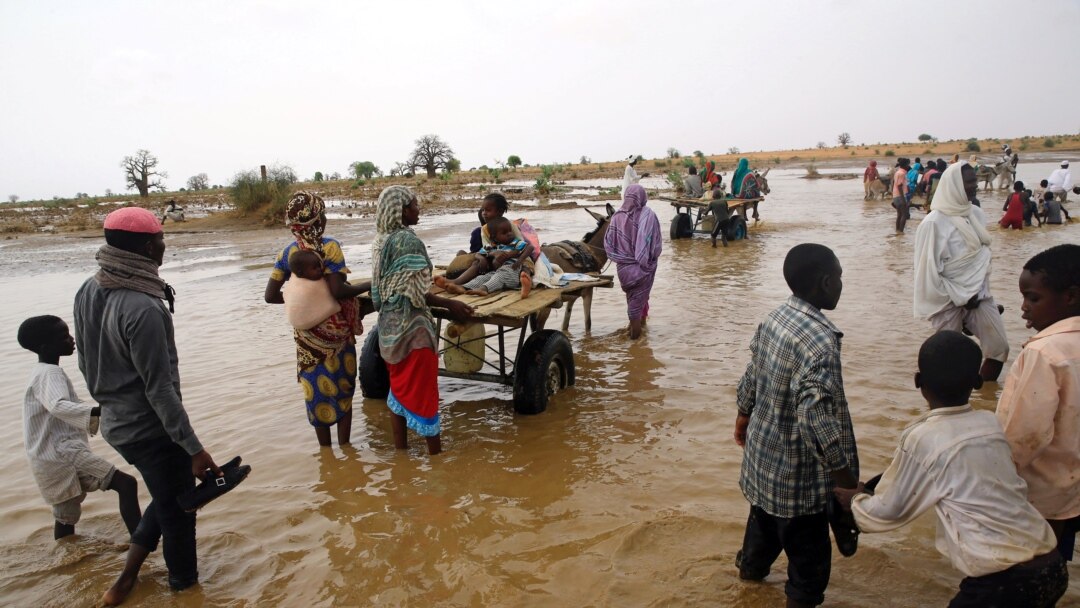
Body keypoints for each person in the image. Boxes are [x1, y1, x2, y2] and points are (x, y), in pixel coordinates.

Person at [835, 331, 1067, 608]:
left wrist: (856, 502)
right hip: (1051, 564)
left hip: (1002, 578)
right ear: (978, 382)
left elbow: (890, 510)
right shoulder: (990, 424)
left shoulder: (923, 437)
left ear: (918, 382)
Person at [73, 206, 221, 605]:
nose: (164, 246)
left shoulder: (88, 289)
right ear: (144, 246)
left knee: (167, 494)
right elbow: (160, 391)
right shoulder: (144, 308)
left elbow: (85, 362)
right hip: (152, 429)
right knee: (179, 516)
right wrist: (193, 447)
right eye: (159, 239)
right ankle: (184, 589)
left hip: (118, 425)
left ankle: (127, 578)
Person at [734, 244, 858, 608]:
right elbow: (815, 420)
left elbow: (753, 370)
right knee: (808, 578)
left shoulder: (776, 318)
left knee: (759, 542)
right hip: (800, 485)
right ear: (824, 283)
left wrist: (743, 412)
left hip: (764, 467)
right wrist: (846, 480)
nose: (841, 284)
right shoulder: (820, 342)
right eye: (839, 278)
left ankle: (747, 588)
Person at [18, 315, 141, 541]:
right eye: (64, 337)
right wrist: (103, 411)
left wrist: (101, 408)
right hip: (63, 452)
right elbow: (59, 405)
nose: (71, 339)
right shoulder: (49, 373)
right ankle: (142, 542)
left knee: (66, 515)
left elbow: (64, 405)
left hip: (52, 455)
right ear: (46, 346)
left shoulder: (41, 372)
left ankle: (68, 557)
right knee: (126, 484)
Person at [370, 186, 473, 456]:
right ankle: (436, 459)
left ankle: (401, 454)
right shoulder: (406, 241)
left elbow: (377, 292)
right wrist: (450, 303)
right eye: (415, 205)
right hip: (412, 328)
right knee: (425, 394)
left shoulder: (381, 239)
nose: (419, 209)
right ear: (402, 210)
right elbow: (417, 294)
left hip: (389, 329)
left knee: (398, 392)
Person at [264, 192, 369, 447]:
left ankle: (326, 453)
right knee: (343, 390)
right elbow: (338, 290)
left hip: (306, 340)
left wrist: (301, 300)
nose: (324, 219)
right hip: (337, 335)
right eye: (322, 214)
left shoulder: (286, 254)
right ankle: (346, 448)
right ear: (317, 220)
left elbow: (270, 296)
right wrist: (368, 285)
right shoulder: (329, 247)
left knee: (316, 394)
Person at [996, 244, 1080, 561]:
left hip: (1039, 496)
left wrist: (995, 482)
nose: (1023, 308)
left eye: (1033, 298)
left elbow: (1023, 435)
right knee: (1055, 562)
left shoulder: (1043, 354)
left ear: (1070, 296)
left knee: (1030, 567)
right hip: (1071, 492)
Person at [914, 162, 1009, 381]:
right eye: (970, 181)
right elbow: (928, 272)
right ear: (955, 185)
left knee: (999, 349)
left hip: (980, 295)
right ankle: (952, 407)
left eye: (975, 180)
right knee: (948, 359)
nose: (975, 185)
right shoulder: (933, 223)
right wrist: (962, 297)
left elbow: (978, 259)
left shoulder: (975, 213)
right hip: (948, 300)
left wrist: (973, 294)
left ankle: (983, 393)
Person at [603, 184, 662, 340]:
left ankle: (634, 348)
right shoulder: (647, 215)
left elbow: (608, 245)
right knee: (635, 311)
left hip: (624, 271)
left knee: (632, 303)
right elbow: (655, 246)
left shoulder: (616, 217)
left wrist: (622, 257)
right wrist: (645, 259)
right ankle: (636, 346)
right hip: (643, 270)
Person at [440, 216, 534, 297]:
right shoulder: (492, 246)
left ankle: (483, 289)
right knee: (483, 278)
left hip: (512, 272)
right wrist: (482, 258)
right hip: (497, 271)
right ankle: (463, 287)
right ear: (494, 237)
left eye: (510, 231)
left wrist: (519, 259)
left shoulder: (515, 243)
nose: (509, 233)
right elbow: (478, 253)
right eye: (504, 233)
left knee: (499, 277)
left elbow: (530, 247)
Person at [891, 158, 911, 233]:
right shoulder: (902, 174)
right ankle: (901, 231)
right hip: (900, 196)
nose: (909, 166)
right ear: (906, 165)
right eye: (908, 164)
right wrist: (903, 199)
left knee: (899, 214)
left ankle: (898, 231)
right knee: (904, 214)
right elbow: (899, 186)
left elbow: (895, 184)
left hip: (896, 195)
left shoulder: (898, 172)